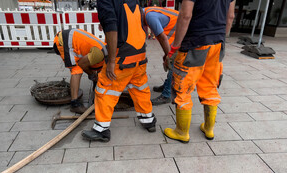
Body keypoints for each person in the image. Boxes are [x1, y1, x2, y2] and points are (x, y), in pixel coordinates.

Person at [81, 0, 157, 142]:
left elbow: (111, 28)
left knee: (105, 90)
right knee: (140, 88)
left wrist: (111, 61)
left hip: (121, 57)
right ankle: (148, 121)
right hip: (140, 55)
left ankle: (101, 130)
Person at [164, 0, 235, 143]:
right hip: (217, 44)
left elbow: (185, 16)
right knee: (209, 87)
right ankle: (209, 129)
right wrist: (220, 37)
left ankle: (181, 132)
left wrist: (174, 48)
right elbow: (230, 17)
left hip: (195, 43)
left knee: (183, 88)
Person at [53, 28, 107, 114]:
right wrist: (91, 75)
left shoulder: (105, 53)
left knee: (86, 69)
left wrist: (95, 80)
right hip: (64, 40)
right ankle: (75, 104)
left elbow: (99, 73)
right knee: (76, 70)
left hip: (73, 40)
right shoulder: (100, 54)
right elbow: (82, 64)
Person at [144, 6, 179, 105]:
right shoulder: (147, 11)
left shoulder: (149, 17)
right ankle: (167, 85)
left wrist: (168, 55)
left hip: (185, 32)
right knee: (172, 60)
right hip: (180, 32)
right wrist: (166, 54)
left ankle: (167, 94)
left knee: (173, 63)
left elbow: (162, 38)